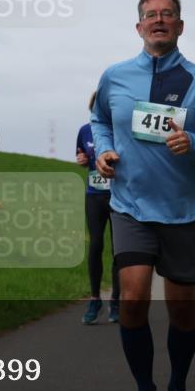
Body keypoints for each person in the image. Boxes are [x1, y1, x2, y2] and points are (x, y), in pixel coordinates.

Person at [92, 0, 195, 391]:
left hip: (182, 210)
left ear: (180, 26)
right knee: (132, 299)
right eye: (151, 14)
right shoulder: (114, 76)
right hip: (130, 206)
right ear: (138, 26)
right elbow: (98, 119)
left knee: (182, 310)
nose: (159, 20)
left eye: (168, 14)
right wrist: (105, 150)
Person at [77, 92, 121, 324]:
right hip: (94, 196)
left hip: (119, 196)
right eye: (96, 105)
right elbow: (82, 155)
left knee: (118, 249)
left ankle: (116, 301)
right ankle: (95, 299)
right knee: (95, 245)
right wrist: (82, 160)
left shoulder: (120, 130)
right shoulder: (84, 130)